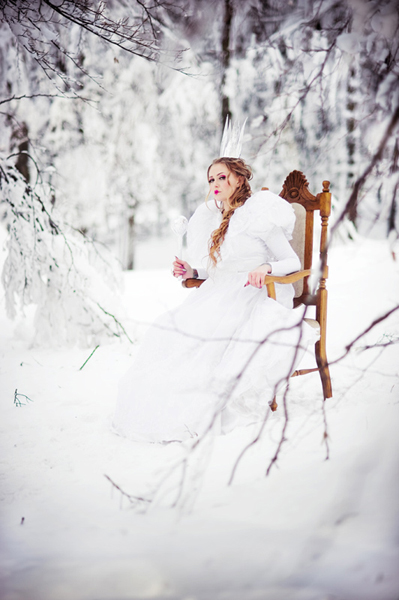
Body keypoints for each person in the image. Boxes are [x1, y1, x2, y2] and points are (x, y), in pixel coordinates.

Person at [113, 157, 318, 443]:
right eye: (211, 180)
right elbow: (223, 269)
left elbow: (291, 261)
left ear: (238, 179)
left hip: (254, 293)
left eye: (222, 177)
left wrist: (266, 268)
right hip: (221, 291)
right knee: (171, 332)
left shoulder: (259, 212)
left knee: (212, 340)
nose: (216, 184)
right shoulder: (218, 217)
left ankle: (206, 404)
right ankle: (163, 409)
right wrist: (194, 271)